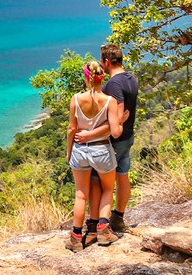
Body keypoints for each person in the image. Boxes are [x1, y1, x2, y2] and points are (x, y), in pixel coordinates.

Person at [75, 43, 139, 236]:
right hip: (128, 137)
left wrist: (89, 135)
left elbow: (115, 120)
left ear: (106, 61)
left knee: (99, 182)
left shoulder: (113, 84)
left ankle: (96, 224)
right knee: (123, 176)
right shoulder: (132, 79)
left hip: (113, 140)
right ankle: (118, 217)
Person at [65, 60, 123, 252]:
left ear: (86, 77)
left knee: (80, 195)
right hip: (101, 151)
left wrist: (69, 151)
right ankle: (103, 231)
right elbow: (115, 132)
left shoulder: (75, 99)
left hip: (80, 150)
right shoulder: (110, 101)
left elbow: (72, 128)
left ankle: (75, 238)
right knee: (108, 189)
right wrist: (122, 121)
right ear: (102, 77)